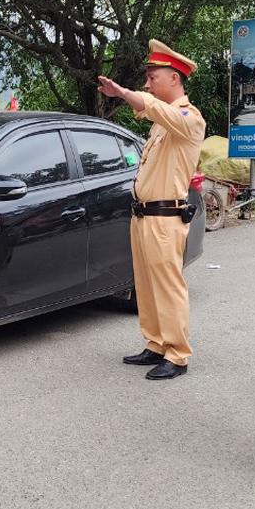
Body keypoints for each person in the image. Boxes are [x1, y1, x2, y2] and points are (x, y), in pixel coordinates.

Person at [96, 39, 206, 380]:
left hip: (165, 217)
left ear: (174, 78)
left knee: (168, 286)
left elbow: (152, 108)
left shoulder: (189, 118)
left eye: (153, 76)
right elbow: (151, 111)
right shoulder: (164, 121)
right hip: (144, 214)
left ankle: (178, 354)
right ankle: (156, 343)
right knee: (145, 284)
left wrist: (124, 92)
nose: (147, 83)